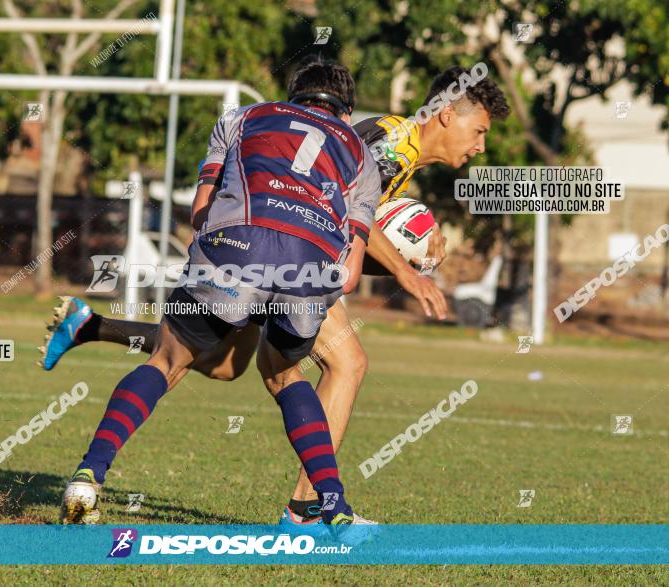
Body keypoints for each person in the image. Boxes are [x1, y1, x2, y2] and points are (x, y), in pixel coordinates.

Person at [42, 64, 511, 530]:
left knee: (219, 363)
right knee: (343, 364)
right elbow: (341, 210)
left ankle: (91, 329)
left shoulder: (279, 125)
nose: (480, 145)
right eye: (480, 130)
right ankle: (308, 510)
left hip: (248, 247)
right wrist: (405, 269)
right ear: (447, 114)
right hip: (300, 255)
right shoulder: (386, 146)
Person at [53, 56, 381, 529]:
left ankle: (88, 477)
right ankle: (333, 505)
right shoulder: (362, 154)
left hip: (234, 248)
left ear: (293, 98)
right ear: (345, 112)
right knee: (287, 376)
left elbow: (201, 212)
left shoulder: (242, 117)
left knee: (166, 362)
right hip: (308, 267)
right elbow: (349, 275)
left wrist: (232, 258)